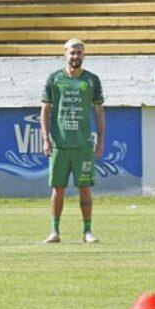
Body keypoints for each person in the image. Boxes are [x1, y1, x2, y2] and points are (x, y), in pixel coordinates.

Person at [40, 38, 105, 244]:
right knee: (58, 188)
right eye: (72, 52)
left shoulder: (92, 80)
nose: (75, 56)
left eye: (79, 53)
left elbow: (99, 112)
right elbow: (45, 111)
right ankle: (54, 231)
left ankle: (87, 231)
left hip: (83, 145)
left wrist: (101, 140)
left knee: (85, 188)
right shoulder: (54, 79)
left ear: (84, 55)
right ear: (64, 54)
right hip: (60, 143)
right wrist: (45, 139)